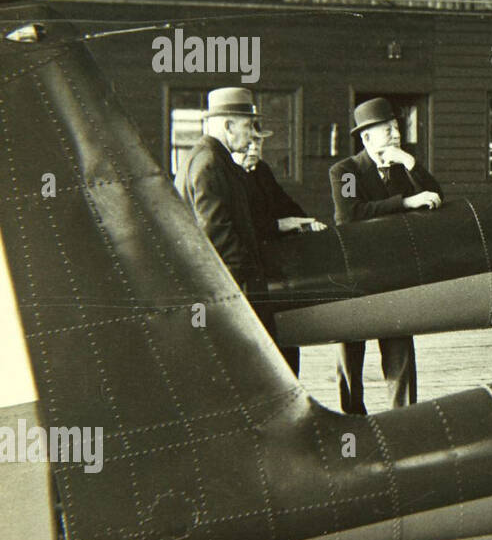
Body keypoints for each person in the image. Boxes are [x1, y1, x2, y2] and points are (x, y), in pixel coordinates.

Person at [329, 98, 443, 415]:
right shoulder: (345, 171)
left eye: (397, 128)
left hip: (393, 273)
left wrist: (409, 163)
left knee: (399, 349)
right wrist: (405, 203)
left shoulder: (401, 168)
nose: (395, 135)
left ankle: (404, 416)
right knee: (351, 352)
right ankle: (352, 417)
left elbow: (436, 196)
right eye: (387, 130)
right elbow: (351, 214)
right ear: (366, 138)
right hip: (355, 274)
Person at [173, 87, 280, 349]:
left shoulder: (205, 159)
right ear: (229, 126)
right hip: (232, 291)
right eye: (248, 126)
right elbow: (217, 233)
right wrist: (247, 274)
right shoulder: (210, 163)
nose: (253, 134)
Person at [233, 122, 326, 376]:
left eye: (259, 142)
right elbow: (243, 225)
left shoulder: (261, 171)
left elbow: (285, 203)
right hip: (246, 271)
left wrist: (306, 222)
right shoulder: (229, 175)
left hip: (277, 271)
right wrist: (280, 225)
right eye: (249, 141)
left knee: (286, 342)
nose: (254, 147)